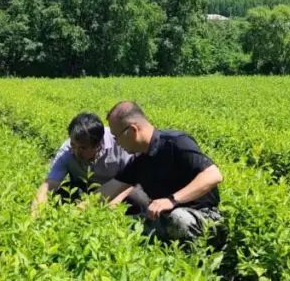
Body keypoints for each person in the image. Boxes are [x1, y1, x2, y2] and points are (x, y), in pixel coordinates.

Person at [104, 101, 223, 243]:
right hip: (164, 219)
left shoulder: (176, 142)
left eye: (116, 137)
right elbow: (108, 189)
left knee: (178, 218)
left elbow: (213, 175)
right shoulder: (141, 159)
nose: (116, 143)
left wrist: (172, 200)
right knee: (118, 229)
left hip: (203, 217)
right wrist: (76, 212)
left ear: (132, 131)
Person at [32, 111, 142, 210]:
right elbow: (49, 184)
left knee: (137, 199)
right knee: (60, 197)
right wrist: (35, 214)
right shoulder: (67, 150)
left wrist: (116, 201)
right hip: (84, 189)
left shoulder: (119, 144)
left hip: (118, 188)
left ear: (98, 145)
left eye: (82, 148)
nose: (75, 151)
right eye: (73, 145)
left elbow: (133, 179)